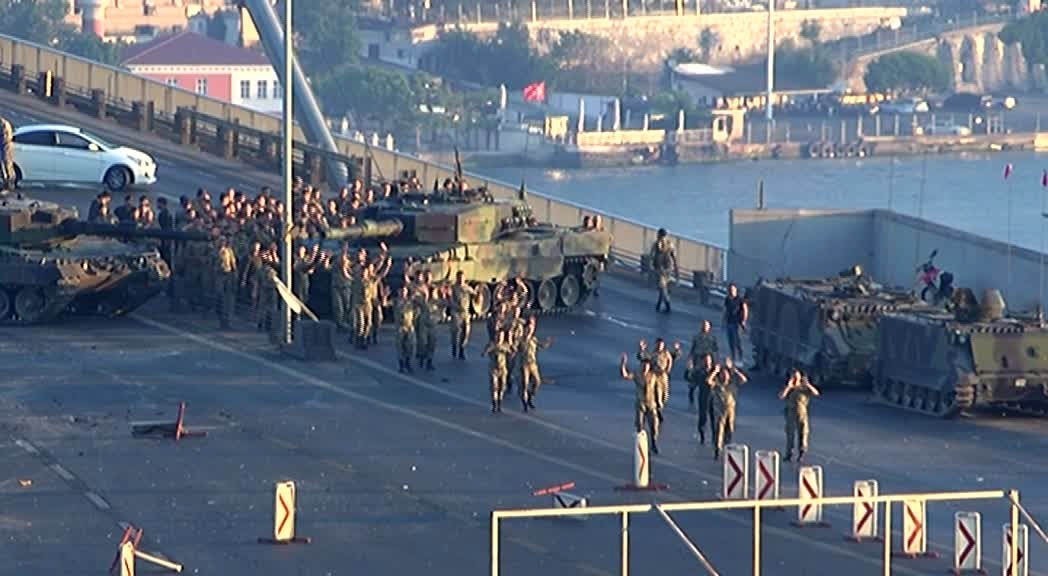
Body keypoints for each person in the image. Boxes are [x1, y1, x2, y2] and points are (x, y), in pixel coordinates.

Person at [707, 356, 747, 460]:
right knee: (719, 430)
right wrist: (715, 371)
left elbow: (744, 380)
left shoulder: (732, 383)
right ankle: (717, 449)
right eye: (722, 375)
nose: (725, 377)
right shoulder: (717, 384)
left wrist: (735, 370)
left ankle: (727, 446)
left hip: (730, 410)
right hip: (719, 410)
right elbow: (708, 381)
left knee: (729, 429)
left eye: (726, 375)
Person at [620, 353, 660, 454]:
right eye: (644, 365)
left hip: (651, 403)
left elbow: (659, 385)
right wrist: (623, 365)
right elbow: (625, 376)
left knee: (654, 425)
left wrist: (659, 401)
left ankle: (654, 443)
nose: (645, 367)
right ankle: (640, 445)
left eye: (647, 365)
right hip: (641, 403)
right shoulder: (637, 374)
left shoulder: (653, 375)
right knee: (640, 425)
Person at [779, 368, 820, 462]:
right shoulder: (789, 388)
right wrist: (788, 387)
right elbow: (781, 396)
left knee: (803, 434)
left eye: (797, 376)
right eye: (793, 376)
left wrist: (808, 384)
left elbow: (816, 393)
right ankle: (789, 453)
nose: (795, 378)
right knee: (790, 435)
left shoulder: (804, 388)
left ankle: (802, 453)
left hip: (802, 414)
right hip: (790, 414)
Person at [637, 338, 681, 422]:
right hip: (653, 376)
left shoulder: (666, 354)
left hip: (663, 375)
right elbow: (642, 357)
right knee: (653, 393)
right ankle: (655, 410)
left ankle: (660, 407)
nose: (659, 346)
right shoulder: (652, 354)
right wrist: (641, 349)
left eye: (661, 345)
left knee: (664, 395)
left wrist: (677, 349)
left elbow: (675, 356)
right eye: (658, 344)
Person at [517, 316, 553, 412]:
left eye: (532, 328)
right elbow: (514, 349)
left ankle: (530, 396)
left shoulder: (533, 339)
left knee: (537, 382)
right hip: (524, 364)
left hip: (533, 364)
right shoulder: (520, 340)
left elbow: (541, 346)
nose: (530, 330)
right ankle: (524, 403)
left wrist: (547, 343)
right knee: (525, 384)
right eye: (528, 328)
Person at [686, 353, 717, 444]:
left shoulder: (716, 370)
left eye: (709, 360)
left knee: (715, 418)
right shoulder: (699, 371)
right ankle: (702, 435)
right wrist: (689, 370)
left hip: (715, 397)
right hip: (704, 396)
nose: (707, 362)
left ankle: (715, 436)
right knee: (703, 417)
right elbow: (690, 379)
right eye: (705, 360)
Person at [447, 271, 476, 360]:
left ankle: (462, 349)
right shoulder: (453, 288)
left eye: (462, 277)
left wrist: (476, 295)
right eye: (459, 277)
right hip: (456, 312)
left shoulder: (467, 288)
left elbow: (476, 295)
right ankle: (454, 348)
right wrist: (456, 306)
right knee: (455, 332)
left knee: (466, 332)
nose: (461, 279)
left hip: (465, 313)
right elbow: (450, 299)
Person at [649, 228, 678, 313]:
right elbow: (674, 257)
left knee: (662, 286)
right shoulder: (670, 244)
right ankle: (658, 304)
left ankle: (667, 305)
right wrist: (676, 269)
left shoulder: (657, 244)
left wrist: (651, 266)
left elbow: (652, 255)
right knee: (663, 286)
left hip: (660, 268)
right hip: (668, 267)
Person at [484, 331, 514, 413]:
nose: (499, 338)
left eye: (501, 336)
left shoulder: (505, 345)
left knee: (502, 387)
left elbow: (512, 353)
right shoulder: (491, 344)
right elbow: (484, 353)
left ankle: (500, 404)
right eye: (498, 336)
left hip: (503, 369)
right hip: (493, 369)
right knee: (494, 387)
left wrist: (508, 348)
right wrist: (490, 349)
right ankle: (494, 404)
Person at [723, 284, 749, 363]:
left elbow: (745, 310)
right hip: (729, 322)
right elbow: (725, 310)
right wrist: (724, 320)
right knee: (731, 342)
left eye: (733, 289)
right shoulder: (727, 299)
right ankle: (733, 357)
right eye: (730, 289)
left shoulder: (740, 300)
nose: (731, 291)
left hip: (737, 323)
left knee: (737, 341)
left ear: (736, 290)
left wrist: (744, 321)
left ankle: (740, 357)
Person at [393, 286, 417, 373]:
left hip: (409, 326)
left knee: (410, 346)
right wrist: (384, 297)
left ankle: (408, 362)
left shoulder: (410, 301)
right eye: (401, 291)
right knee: (400, 346)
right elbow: (385, 304)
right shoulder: (395, 301)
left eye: (404, 291)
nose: (403, 293)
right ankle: (401, 364)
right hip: (400, 326)